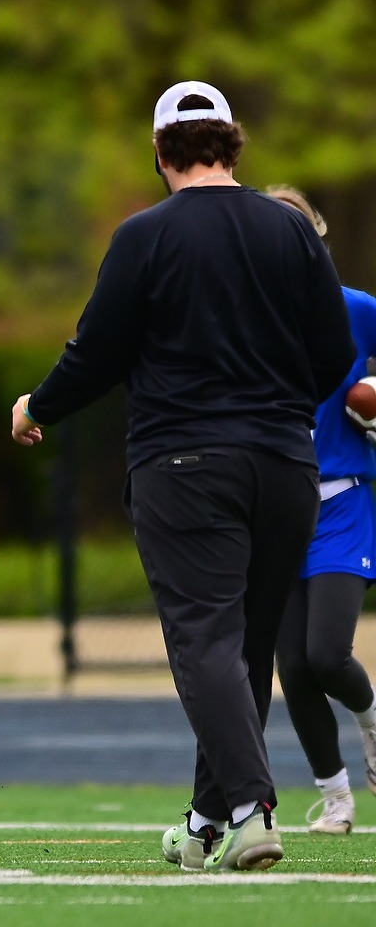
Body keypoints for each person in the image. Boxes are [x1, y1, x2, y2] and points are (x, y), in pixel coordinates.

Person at [11, 83, 355, 872]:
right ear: (232, 144)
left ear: (161, 152)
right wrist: (278, 402)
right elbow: (336, 350)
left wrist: (39, 406)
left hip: (184, 462)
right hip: (286, 464)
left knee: (203, 639)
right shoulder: (291, 231)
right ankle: (206, 822)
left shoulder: (145, 236)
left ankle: (250, 809)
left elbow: (95, 351)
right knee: (245, 649)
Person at [262, 186, 376, 836]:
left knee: (327, 653)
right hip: (276, 504)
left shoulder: (354, 309)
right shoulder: (245, 318)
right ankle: (335, 798)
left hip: (339, 501)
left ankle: (371, 720)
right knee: (293, 666)